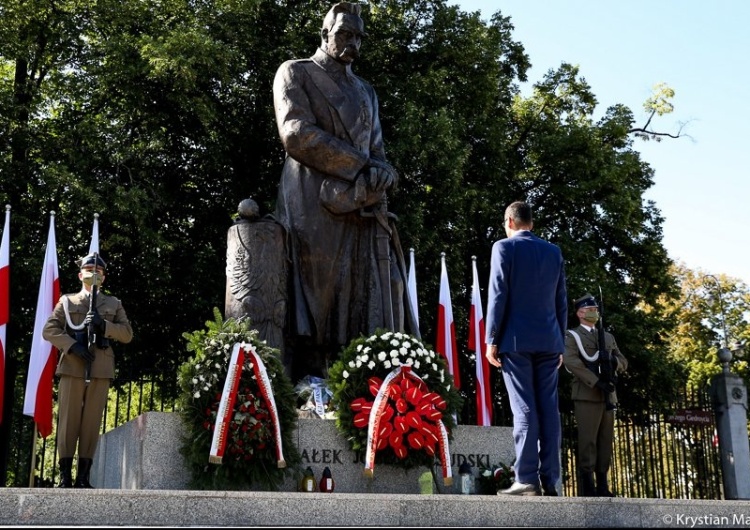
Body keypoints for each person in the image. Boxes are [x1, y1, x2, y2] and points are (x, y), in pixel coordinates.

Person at [272, 2, 417, 380]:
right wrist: (361, 166)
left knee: (363, 295)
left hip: (361, 203)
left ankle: (355, 377)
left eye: (358, 37)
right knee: (316, 294)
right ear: (325, 35)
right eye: (345, 34)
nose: (353, 43)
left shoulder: (366, 91)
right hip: (311, 199)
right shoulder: (296, 72)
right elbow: (296, 133)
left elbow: (378, 152)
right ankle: (308, 375)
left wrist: (384, 173)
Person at [484, 201, 567, 497]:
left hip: (515, 342)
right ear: (531, 222)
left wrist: (490, 339)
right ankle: (551, 480)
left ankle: (526, 477)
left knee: (524, 407)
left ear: (509, 221)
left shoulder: (504, 248)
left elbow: (497, 294)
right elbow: (561, 302)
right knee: (549, 410)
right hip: (549, 341)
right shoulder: (553, 252)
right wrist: (560, 343)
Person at [43, 253, 133, 488]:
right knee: (68, 422)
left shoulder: (114, 304)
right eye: (89, 270)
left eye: (99, 272)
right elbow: (49, 330)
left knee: (91, 423)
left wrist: (104, 326)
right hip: (73, 366)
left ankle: (83, 477)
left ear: (104, 277)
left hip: (100, 368)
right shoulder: (67, 301)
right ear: (80, 274)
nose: (94, 274)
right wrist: (73, 346)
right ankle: (64, 476)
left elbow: (127, 334)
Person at [563, 293, 628, 497]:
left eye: (596, 310)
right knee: (588, 440)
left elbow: (623, 361)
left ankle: (602, 483)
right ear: (580, 313)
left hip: (608, 394)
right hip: (587, 394)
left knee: (605, 440)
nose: (595, 313)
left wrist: (613, 363)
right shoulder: (572, 336)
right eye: (591, 310)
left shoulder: (607, 337)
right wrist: (595, 381)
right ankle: (587, 484)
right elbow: (572, 362)